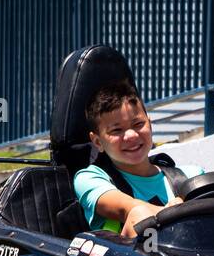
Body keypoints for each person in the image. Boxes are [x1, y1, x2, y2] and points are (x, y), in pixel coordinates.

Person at [73, 79, 204, 238]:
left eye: (138, 124)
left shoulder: (192, 176)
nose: (131, 135)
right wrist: (181, 212)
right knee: (139, 215)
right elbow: (128, 208)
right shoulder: (89, 179)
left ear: (150, 125)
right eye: (117, 130)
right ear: (98, 142)